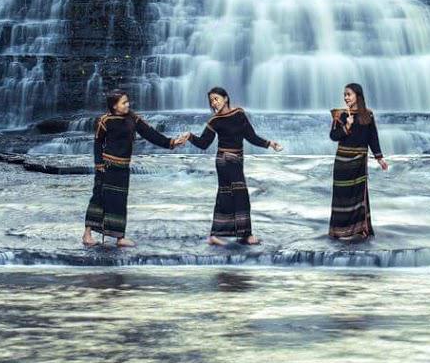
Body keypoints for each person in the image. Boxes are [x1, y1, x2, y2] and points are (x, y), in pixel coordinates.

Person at [179, 87, 283, 246]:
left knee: (225, 195)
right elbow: (204, 143)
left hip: (237, 159)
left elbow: (251, 136)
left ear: (225, 98)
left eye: (216, 98)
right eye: (211, 101)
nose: (214, 103)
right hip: (225, 160)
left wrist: (269, 144)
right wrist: (190, 136)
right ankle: (246, 235)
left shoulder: (239, 114)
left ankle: (215, 235)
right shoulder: (214, 121)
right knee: (241, 195)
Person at [83, 91, 183, 248]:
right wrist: (99, 164)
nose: (127, 105)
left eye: (127, 102)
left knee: (120, 202)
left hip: (123, 167)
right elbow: (97, 143)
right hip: (107, 167)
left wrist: (171, 142)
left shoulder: (133, 118)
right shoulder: (104, 121)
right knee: (99, 199)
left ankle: (119, 238)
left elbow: (150, 134)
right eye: (124, 103)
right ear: (114, 106)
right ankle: (87, 235)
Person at [328, 83, 388, 241]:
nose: (346, 97)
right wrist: (346, 126)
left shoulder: (368, 115)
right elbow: (333, 136)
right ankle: (340, 231)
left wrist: (379, 158)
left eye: (349, 94)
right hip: (343, 163)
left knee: (359, 196)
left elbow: (372, 138)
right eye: (344, 95)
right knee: (342, 197)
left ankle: (360, 230)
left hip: (359, 164)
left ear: (358, 96)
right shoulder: (340, 115)